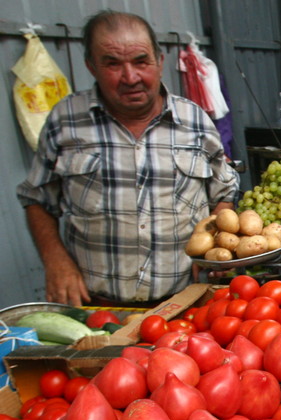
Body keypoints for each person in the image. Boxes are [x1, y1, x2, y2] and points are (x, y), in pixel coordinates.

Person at [16, 10, 240, 307]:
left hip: (185, 302)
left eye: (140, 61)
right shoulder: (66, 120)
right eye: (112, 64)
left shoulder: (194, 120)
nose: (130, 77)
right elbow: (37, 199)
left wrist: (211, 249)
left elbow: (223, 194)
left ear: (159, 63)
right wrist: (55, 261)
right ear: (91, 67)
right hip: (97, 306)